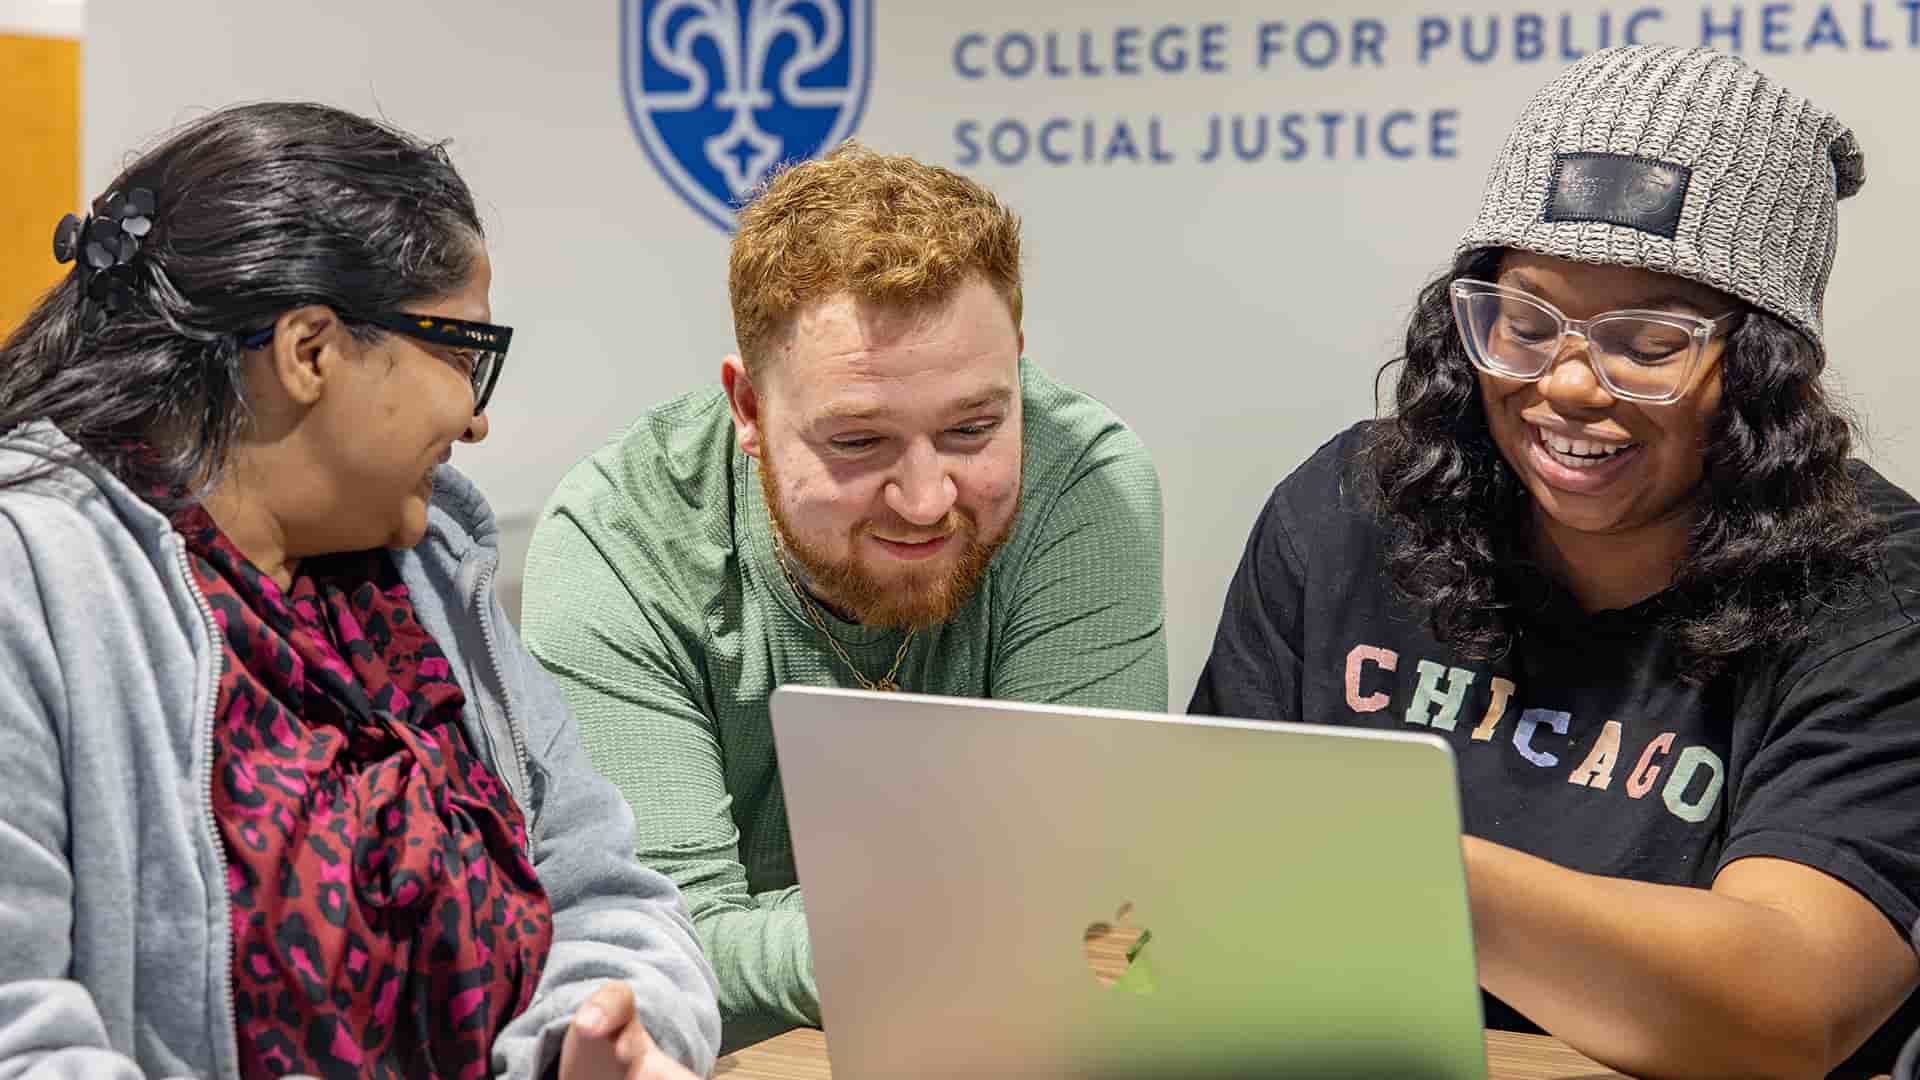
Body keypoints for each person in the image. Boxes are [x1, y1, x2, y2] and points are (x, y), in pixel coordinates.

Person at [1191, 44, 1920, 1078]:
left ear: (1758, 367)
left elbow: (1786, 1007)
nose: (1569, 385)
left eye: (1648, 343)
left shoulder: (1879, 591)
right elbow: (1198, 906)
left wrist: (1383, 863)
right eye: (1525, 324)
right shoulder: (1352, 510)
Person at [0, 102, 720, 1079]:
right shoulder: (31, 582)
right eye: (463, 356)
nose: (474, 418)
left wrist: (594, 1045)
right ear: (310, 350)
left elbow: (616, 901)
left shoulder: (427, 572)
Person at [521, 143, 1167, 1046]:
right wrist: (967, 924)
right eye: (859, 443)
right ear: (747, 408)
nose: (926, 497)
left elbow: (1100, 901)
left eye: (974, 427)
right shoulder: (621, 534)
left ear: (1018, 368)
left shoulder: (1083, 484)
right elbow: (656, 948)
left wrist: (812, 936)